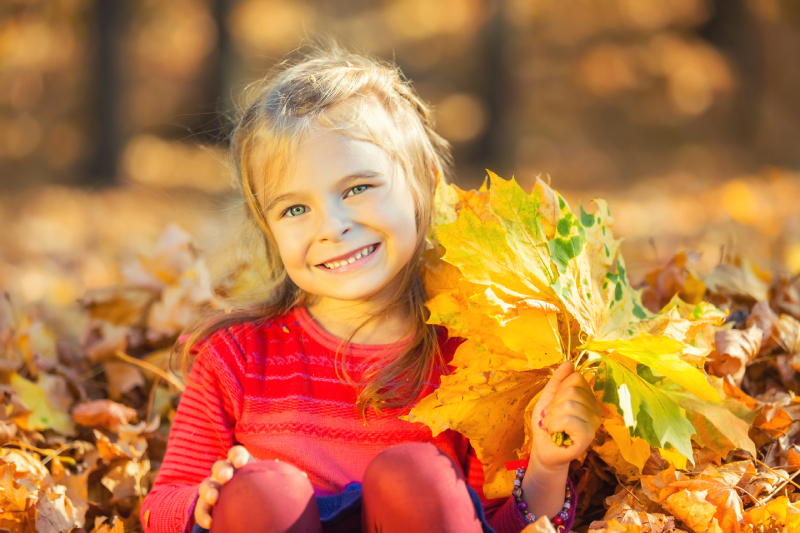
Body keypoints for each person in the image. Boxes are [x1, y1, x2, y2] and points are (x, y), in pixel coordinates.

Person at [139, 45, 602, 533]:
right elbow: (161, 503)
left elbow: (504, 526)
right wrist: (204, 502)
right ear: (267, 227)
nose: (331, 226)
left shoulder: (474, 362)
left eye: (357, 188)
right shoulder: (236, 359)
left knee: (418, 474)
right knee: (263, 493)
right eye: (294, 209)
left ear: (425, 184)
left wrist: (548, 466)